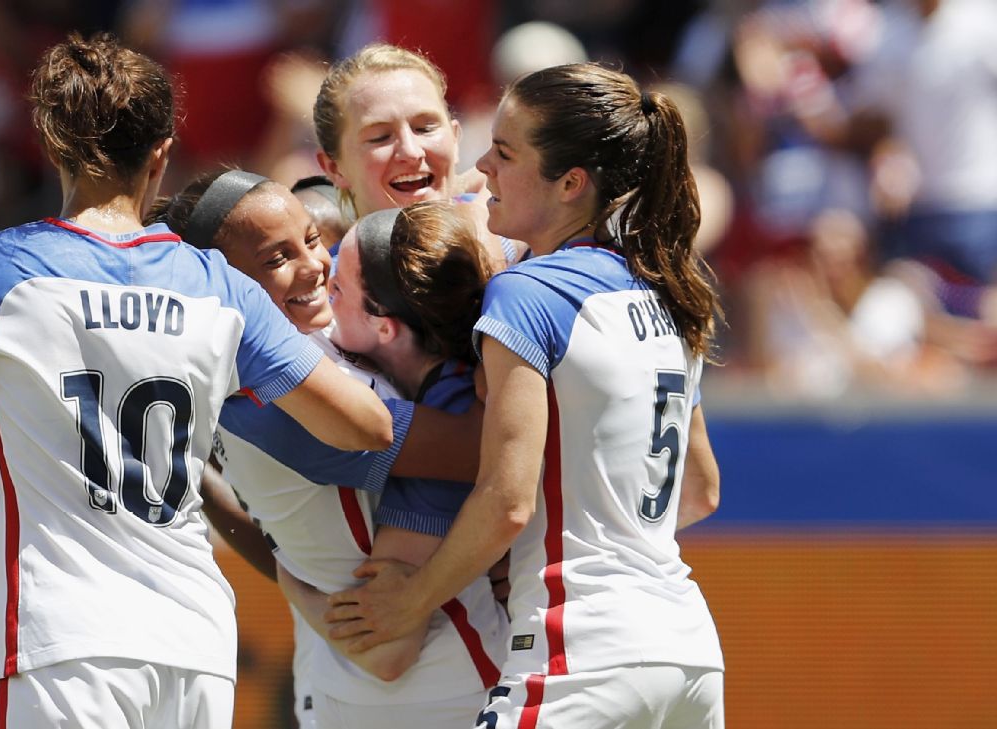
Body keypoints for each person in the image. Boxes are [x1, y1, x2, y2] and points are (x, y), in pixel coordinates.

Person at [0, 33, 392, 729]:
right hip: (195, 640)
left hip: (65, 642)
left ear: (53, 148)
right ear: (162, 154)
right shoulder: (220, 289)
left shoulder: (0, 271)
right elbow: (368, 426)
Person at [326, 63, 726, 728]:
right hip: (688, 651)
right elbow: (701, 490)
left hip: (582, 652)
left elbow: (506, 500)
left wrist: (413, 598)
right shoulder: (666, 291)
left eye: (505, 152)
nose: (481, 166)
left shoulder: (528, 292)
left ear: (571, 183)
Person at [154, 173, 505, 729]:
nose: (316, 265)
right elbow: (488, 451)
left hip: (359, 678)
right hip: (436, 679)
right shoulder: (283, 403)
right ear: (219, 283)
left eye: (312, 239)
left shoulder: (283, 351)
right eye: (276, 259)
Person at [311, 43, 518, 266]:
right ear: (334, 168)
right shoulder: (328, 287)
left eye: (425, 128)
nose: (411, 151)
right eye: (380, 137)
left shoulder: (522, 225)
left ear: (455, 138)